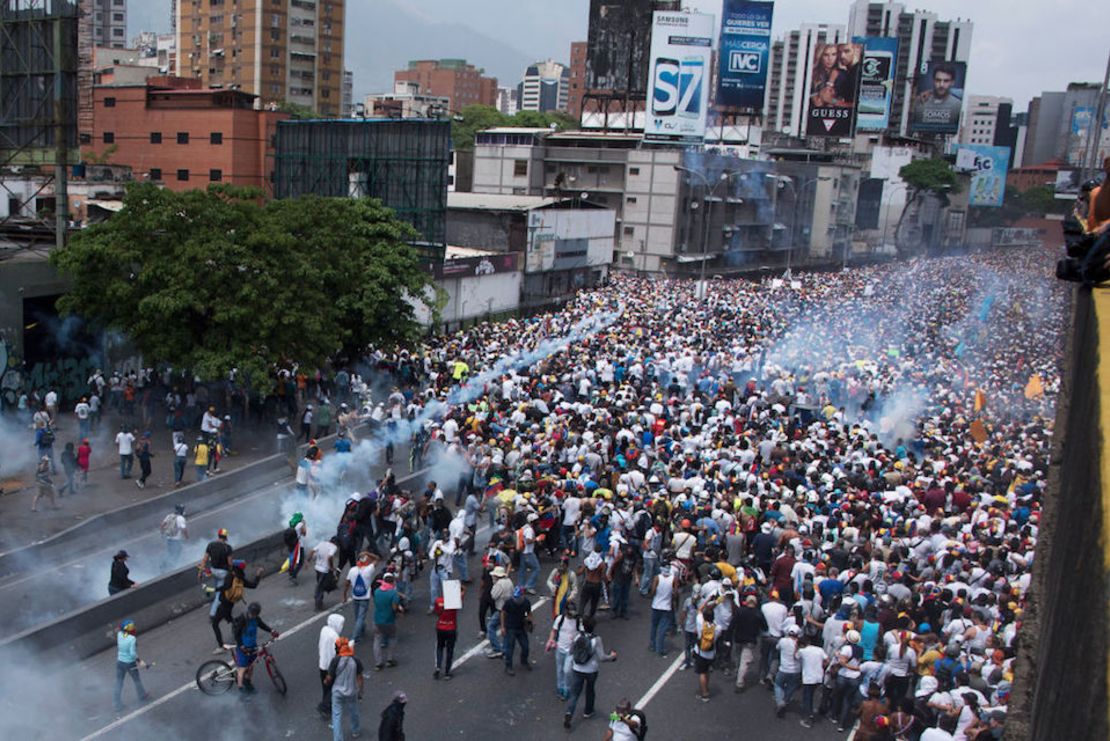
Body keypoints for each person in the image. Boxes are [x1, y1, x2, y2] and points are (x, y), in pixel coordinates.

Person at [563, 614, 618, 729]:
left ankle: (569, 712)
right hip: (591, 670)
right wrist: (612, 656)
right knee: (590, 690)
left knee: (575, 693)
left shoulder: (577, 636)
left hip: (577, 669)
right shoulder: (596, 640)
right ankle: (588, 710)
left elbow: (572, 651)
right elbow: (602, 657)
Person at [210, 560, 262, 652]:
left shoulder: (230, 576)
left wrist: (212, 589)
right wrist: (258, 575)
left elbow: (225, 587)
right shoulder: (241, 578)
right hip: (231, 603)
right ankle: (240, 627)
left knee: (215, 624)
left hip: (224, 604)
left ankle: (221, 646)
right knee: (229, 619)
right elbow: (253, 585)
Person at [232, 602, 278, 698]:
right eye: (251, 613)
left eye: (254, 614)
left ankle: (248, 683)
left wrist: (272, 630)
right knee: (243, 668)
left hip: (252, 645)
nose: (252, 615)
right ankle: (241, 689)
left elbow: (262, 625)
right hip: (243, 647)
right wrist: (241, 646)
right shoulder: (243, 619)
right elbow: (236, 634)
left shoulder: (256, 619)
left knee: (252, 665)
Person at [325, 637, 364, 741]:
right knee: (354, 711)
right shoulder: (355, 660)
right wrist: (360, 691)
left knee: (336, 716)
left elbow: (329, 677)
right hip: (351, 691)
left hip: (337, 692)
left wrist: (326, 681)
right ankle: (356, 730)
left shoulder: (335, 660)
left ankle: (338, 739)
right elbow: (360, 677)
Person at [113, 619, 150, 713]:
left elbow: (118, 630)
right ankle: (141, 695)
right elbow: (132, 654)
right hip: (129, 663)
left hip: (120, 662)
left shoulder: (119, 634)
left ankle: (117, 704)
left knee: (119, 683)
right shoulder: (132, 639)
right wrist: (140, 661)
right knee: (136, 679)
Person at [911, 63, 963, 130]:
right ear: (933, 80)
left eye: (946, 81)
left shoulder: (958, 106)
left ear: (952, 82)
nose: (941, 85)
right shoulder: (920, 102)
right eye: (938, 80)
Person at [547, 599, 581, 700]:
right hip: (560, 648)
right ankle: (560, 688)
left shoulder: (578, 621)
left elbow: (581, 633)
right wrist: (551, 640)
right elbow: (554, 631)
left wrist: (576, 639)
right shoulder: (560, 619)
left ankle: (567, 688)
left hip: (571, 650)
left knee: (567, 670)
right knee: (560, 669)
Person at [343, 550, 379, 642]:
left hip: (355, 596)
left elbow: (347, 583)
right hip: (364, 597)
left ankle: (361, 629)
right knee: (360, 617)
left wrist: (344, 595)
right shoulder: (369, 570)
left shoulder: (352, 570)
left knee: (357, 616)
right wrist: (367, 553)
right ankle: (355, 637)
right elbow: (377, 559)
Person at [372, 571, 404, 670]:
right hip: (389, 620)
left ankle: (378, 662)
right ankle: (390, 659)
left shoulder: (377, 591)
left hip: (377, 619)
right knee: (392, 638)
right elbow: (394, 608)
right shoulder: (393, 594)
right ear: (393, 582)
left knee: (377, 640)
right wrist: (399, 611)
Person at [317, 613, 346, 718]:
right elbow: (339, 651)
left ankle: (325, 703)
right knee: (333, 687)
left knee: (326, 687)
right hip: (331, 666)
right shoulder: (334, 636)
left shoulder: (324, 630)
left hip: (322, 663)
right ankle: (325, 707)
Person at [500, 585, 533, 676]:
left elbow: (529, 613)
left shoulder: (526, 602)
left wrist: (530, 621)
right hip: (510, 627)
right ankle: (508, 666)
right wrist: (503, 627)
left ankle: (524, 661)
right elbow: (503, 613)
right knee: (509, 648)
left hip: (521, 627)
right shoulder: (509, 603)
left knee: (525, 646)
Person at [797, 634, 828, 727]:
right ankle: (811, 711)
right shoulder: (819, 649)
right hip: (819, 676)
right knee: (812, 695)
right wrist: (822, 667)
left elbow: (796, 656)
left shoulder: (802, 651)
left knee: (807, 697)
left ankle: (807, 718)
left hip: (808, 678)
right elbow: (827, 660)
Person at [773, 624, 803, 717]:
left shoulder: (783, 641)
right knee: (791, 687)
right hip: (796, 670)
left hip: (784, 668)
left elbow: (777, 648)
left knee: (778, 685)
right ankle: (785, 701)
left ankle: (780, 702)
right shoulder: (800, 644)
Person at [433, 585, 462, 679]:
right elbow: (463, 593)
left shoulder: (438, 601)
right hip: (451, 628)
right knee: (450, 650)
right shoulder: (454, 602)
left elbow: (436, 612)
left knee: (439, 647)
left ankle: (438, 667)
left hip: (440, 626)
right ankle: (447, 672)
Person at [648, 561, 676, 657]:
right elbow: (675, 593)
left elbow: (653, 591)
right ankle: (660, 648)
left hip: (656, 605)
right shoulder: (673, 579)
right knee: (662, 629)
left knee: (654, 626)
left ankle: (652, 644)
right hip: (666, 607)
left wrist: (653, 596)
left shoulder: (657, 578)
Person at [486, 565, 513, 659]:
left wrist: (494, 585)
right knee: (506, 628)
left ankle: (497, 649)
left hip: (501, 609)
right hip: (510, 608)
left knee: (491, 626)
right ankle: (505, 649)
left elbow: (493, 596)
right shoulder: (509, 581)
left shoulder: (499, 584)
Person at [198, 527, 233, 597]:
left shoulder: (211, 545)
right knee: (220, 594)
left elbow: (204, 560)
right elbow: (230, 564)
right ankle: (216, 604)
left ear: (218, 536)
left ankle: (209, 590)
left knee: (216, 583)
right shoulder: (228, 548)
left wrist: (200, 573)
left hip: (213, 570)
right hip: (222, 573)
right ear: (226, 537)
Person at [308, 535, 339, 611]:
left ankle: (319, 601)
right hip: (324, 570)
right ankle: (318, 603)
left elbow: (312, 551)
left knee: (320, 584)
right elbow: (329, 557)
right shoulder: (334, 547)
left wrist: (308, 560)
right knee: (320, 587)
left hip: (317, 568)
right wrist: (331, 567)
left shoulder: (322, 543)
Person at [693, 604, 717, 702]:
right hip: (711, 653)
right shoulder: (716, 627)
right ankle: (706, 687)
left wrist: (707, 602)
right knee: (707, 671)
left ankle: (704, 693)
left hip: (701, 652)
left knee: (702, 673)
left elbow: (699, 609)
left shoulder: (700, 623)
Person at [159, 504, 189, 569]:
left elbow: (162, 525)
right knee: (175, 554)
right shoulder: (181, 518)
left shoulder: (169, 516)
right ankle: (168, 567)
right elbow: (184, 529)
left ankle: (164, 566)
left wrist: (162, 534)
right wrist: (186, 537)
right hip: (176, 541)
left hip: (169, 539)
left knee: (170, 553)